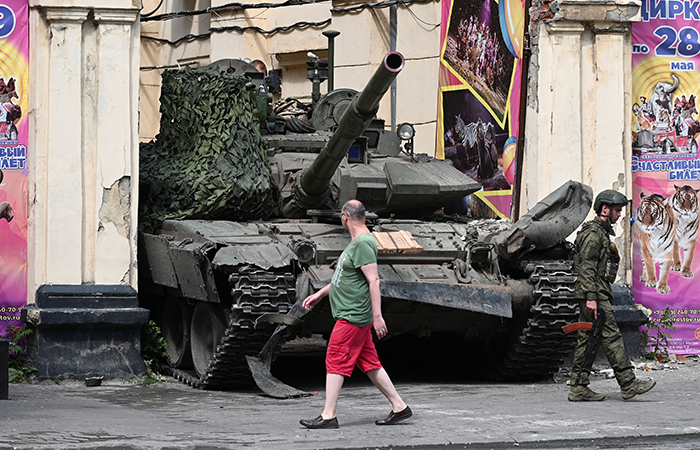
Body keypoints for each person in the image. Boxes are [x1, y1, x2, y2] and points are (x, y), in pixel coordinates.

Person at [299, 200, 412, 429]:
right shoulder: (356, 242)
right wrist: (321, 294)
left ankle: (328, 415)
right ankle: (400, 407)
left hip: (353, 316)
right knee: (370, 363)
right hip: (353, 315)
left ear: (345, 217)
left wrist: (378, 316)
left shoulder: (363, 243)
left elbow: (374, 280)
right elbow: (345, 277)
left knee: (335, 359)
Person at [568, 189, 657, 401]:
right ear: (604, 209)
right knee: (612, 336)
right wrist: (591, 297)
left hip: (597, 293)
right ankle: (628, 383)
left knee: (590, 340)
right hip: (594, 294)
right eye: (617, 210)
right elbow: (587, 268)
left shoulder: (600, 233)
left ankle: (578, 386)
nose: (619, 215)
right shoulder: (593, 235)